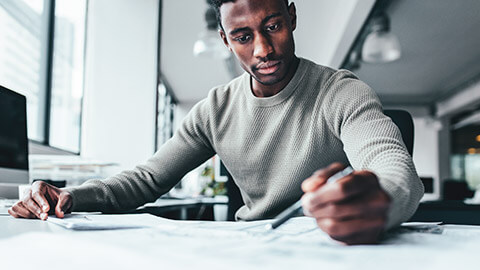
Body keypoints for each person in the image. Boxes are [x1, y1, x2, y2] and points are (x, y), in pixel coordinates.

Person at [8, 0, 424, 245]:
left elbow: (395, 170)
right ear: (226, 40)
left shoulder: (341, 92)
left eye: (273, 26)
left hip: (331, 248)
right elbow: (146, 180)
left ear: (292, 18)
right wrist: (69, 196)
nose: (263, 49)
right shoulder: (215, 109)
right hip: (253, 249)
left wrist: (380, 202)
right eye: (243, 37)